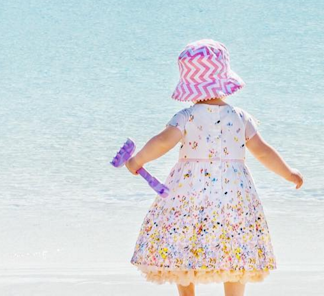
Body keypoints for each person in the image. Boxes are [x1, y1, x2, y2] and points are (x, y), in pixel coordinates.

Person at [126, 39, 303, 296]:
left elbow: (163, 141)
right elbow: (263, 151)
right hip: (233, 194)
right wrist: (288, 173)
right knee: (234, 243)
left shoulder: (186, 117)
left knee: (184, 236)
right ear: (224, 81)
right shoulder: (241, 117)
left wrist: (138, 160)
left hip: (191, 190)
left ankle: (187, 293)